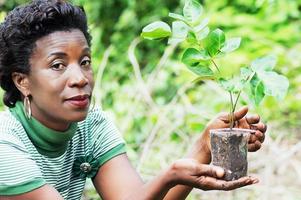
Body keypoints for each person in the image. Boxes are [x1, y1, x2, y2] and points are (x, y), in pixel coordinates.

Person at [0, 0, 266, 199]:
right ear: (22, 81)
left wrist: (204, 147)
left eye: (85, 61)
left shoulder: (91, 125)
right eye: (58, 65)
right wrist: (168, 175)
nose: (80, 78)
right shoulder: (5, 146)